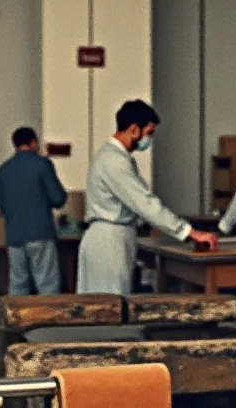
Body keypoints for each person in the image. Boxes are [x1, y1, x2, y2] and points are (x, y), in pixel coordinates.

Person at [77, 100, 218, 294]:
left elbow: (142, 202)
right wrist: (190, 232)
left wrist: (154, 223)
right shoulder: (114, 161)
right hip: (109, 241)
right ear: (134, 129)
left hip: (110, 237)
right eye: (149, 133)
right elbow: (146, 204)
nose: (149, 140)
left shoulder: (115, 157)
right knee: (110, 305)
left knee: (103, 304)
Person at [0, 127, 67, 295]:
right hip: (40, 232)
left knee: (18, 283)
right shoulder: (42, 164)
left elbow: (1, 204)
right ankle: (48, 319)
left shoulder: (3, 169)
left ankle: (18, 319)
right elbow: (58, 198)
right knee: (47, 283)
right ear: (33, 142)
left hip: (14, 235)